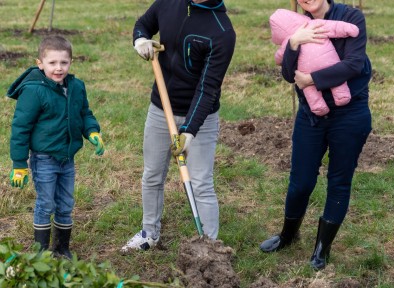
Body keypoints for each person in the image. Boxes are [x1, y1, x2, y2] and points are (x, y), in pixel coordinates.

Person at [260, 0, 372, 271]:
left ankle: (322, 248)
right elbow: (289, 74)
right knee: (300, 181)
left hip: (349, 113)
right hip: (310, 115)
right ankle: (288, 234)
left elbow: (354, 65)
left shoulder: (351, 17)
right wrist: (294, 43)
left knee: (339, 180)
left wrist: (312, 79)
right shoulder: (295, 24)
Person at [121, 0, 236, 252]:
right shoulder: (168, 2)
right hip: (161, 108)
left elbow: (208, 89)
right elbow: (143, 24)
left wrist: (190, 131)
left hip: (200, 118)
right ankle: (148, 233)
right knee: (152, 175)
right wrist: (140, 40)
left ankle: (209, 247)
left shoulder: (222, 32)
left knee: (200, 182)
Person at [8, 35, 105, 259]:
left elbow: (84, 113)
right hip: (44, 158)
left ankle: (62, 248)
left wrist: (92, 131)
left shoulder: (76, 87)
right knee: (46, 203)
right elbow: (20, 127)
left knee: (66, 202)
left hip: (66, 158)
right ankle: (40, 252)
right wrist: (20, 163)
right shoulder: (34, 91)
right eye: (52, 63)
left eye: (64, 62)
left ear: (71, 62)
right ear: (40, 63)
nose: (59, 68)